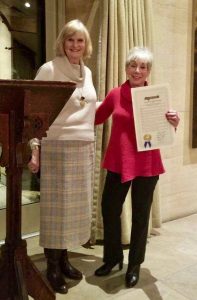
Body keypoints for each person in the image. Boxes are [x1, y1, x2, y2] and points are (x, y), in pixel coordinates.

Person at [94, 47, 180, 288]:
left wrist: (174, 121)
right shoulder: (115, 94)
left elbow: (164, 130)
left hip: (147, 163)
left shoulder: (156, 96)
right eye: (133, 65)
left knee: (141, 217)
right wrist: (75, 104)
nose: (137, 70)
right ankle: (112, 259)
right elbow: (96, 117)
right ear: (126, 68)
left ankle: (134, 265)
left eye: (143, 67)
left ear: (148, 71)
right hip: (119, 161)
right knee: (109, 209)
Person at [28, 19, 97, 294]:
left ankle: (65, 258)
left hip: (83, 147)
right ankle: (52, 265)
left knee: (74, 209)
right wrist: (35, 149)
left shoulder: (87, 72)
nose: (75, 45)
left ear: (86, 44)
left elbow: (88, 107)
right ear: (62, 42)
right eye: (70, 39)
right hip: (56, 146)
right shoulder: (49, 69)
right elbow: (32, 111)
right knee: (56, 209)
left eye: (80, 40)